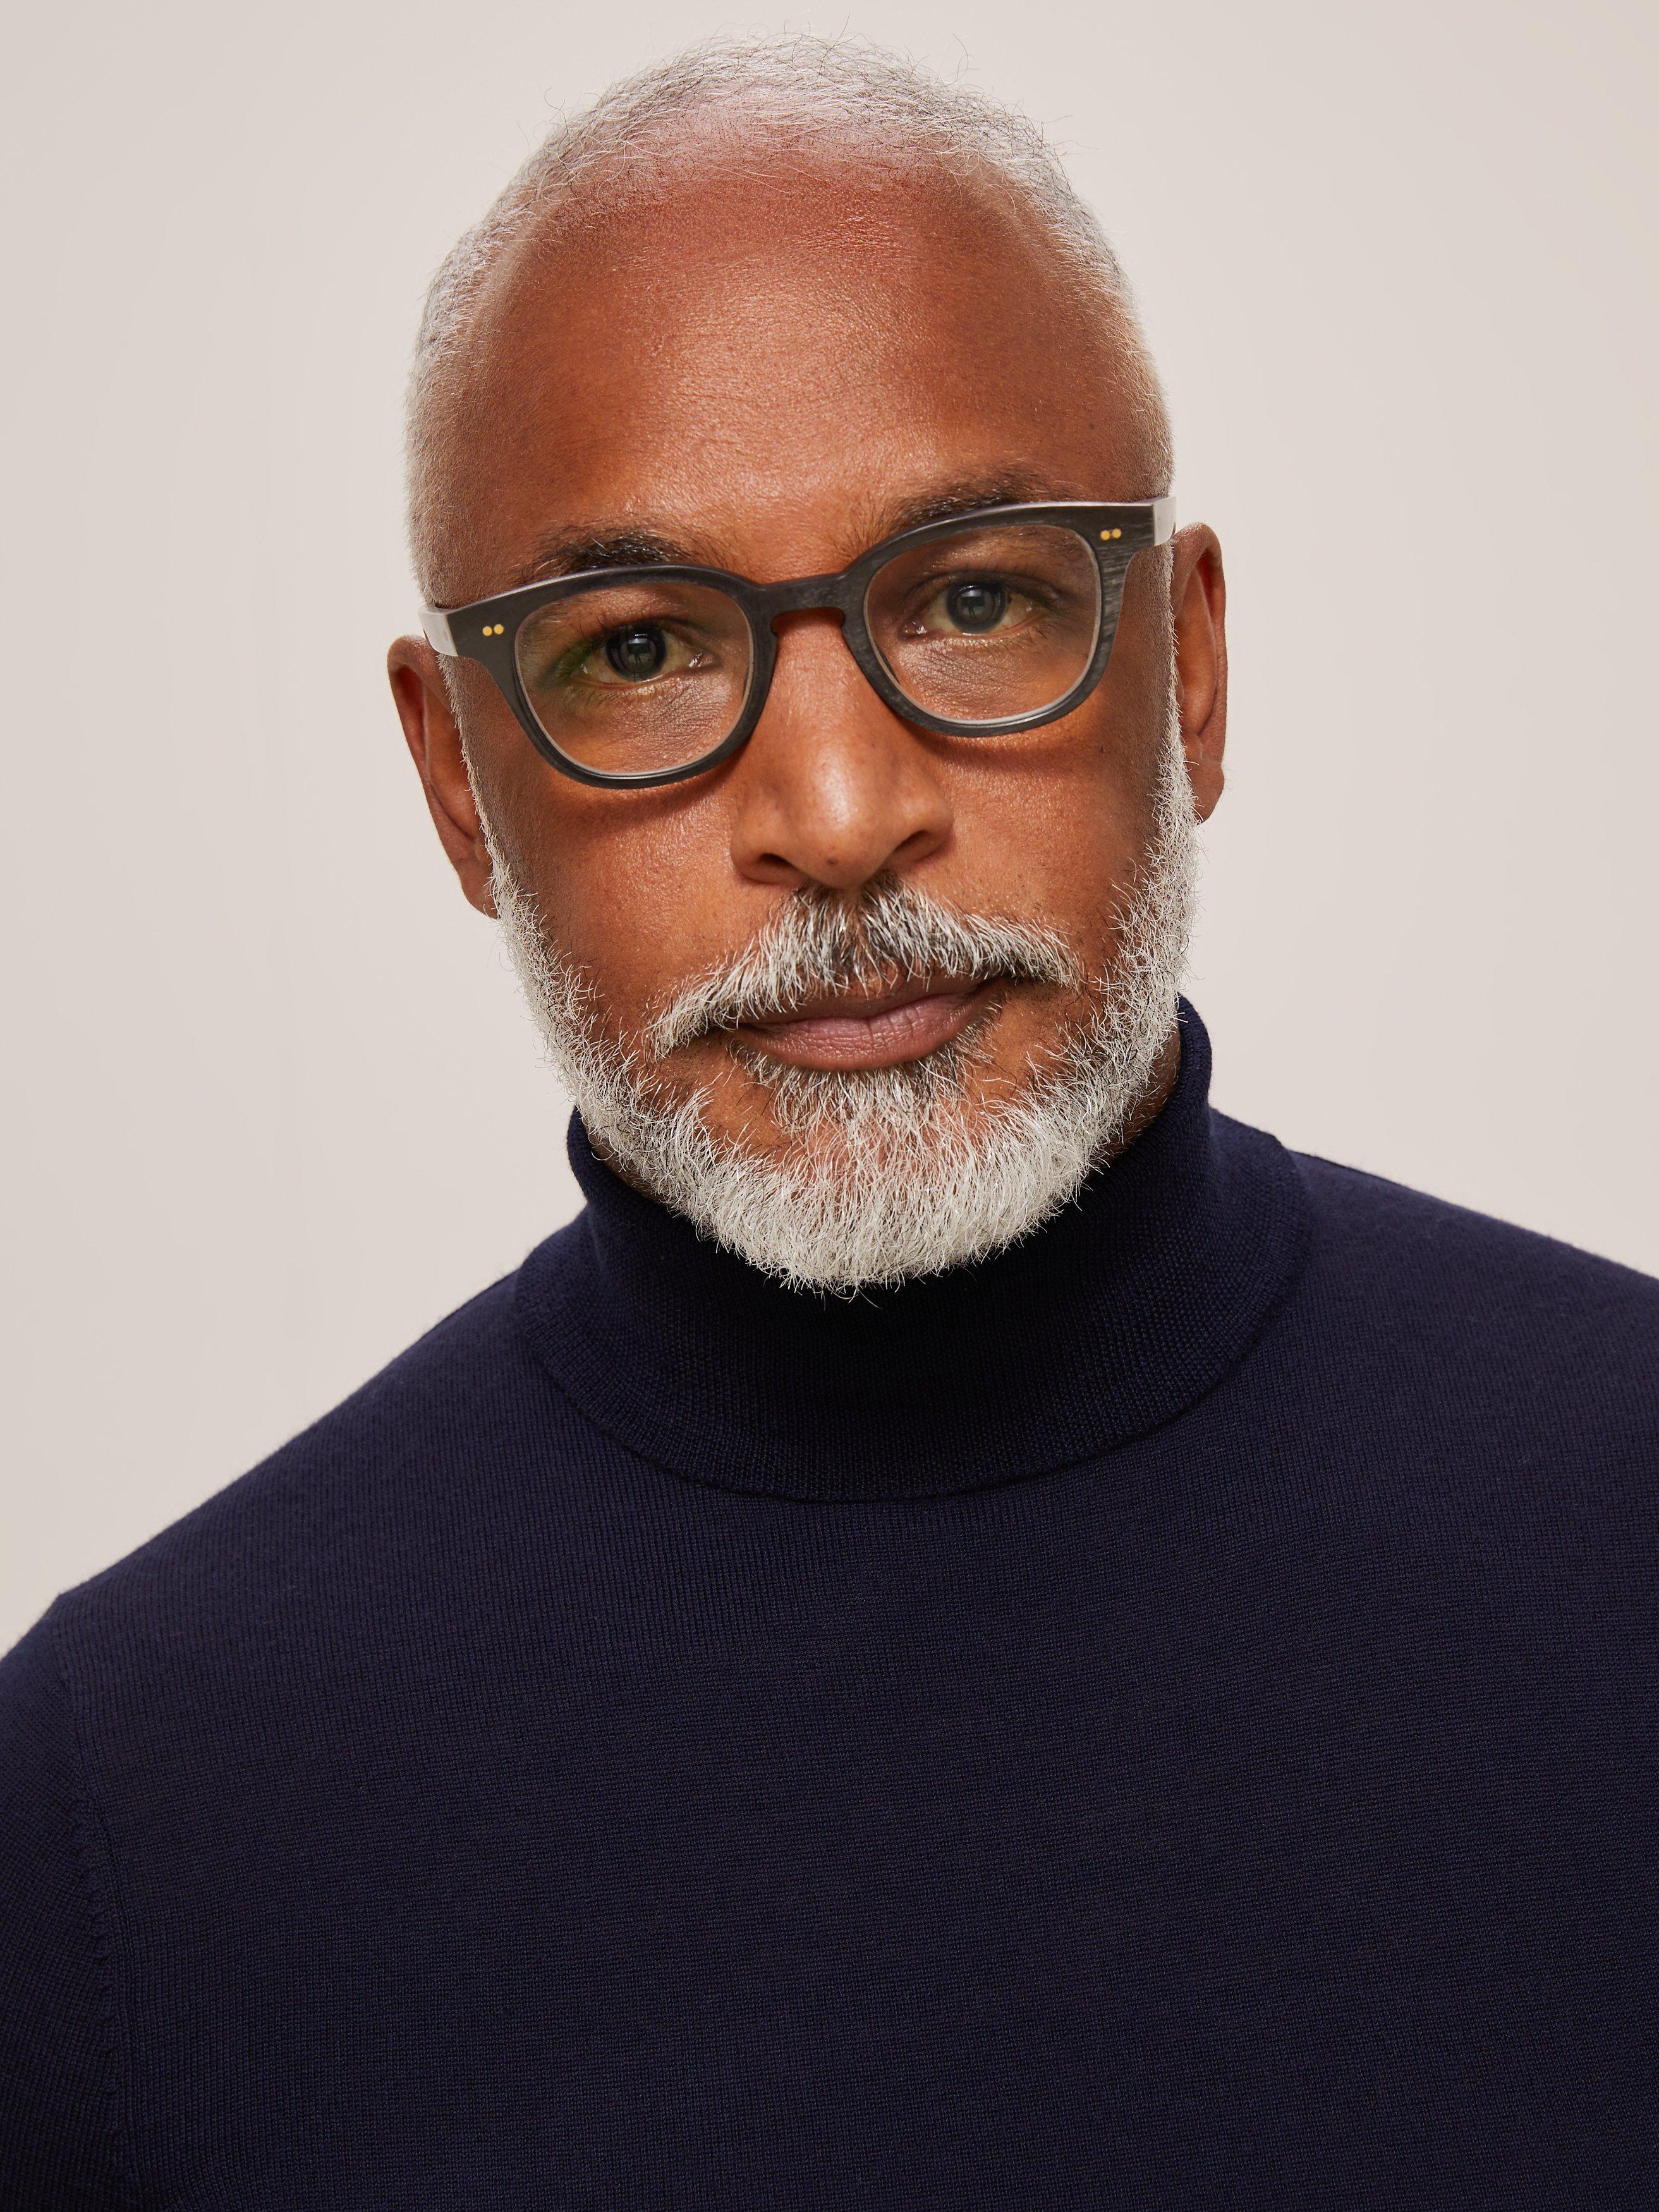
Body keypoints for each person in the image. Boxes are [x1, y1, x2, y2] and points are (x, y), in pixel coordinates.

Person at [3, 36, 1655, 2209]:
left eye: (974, 599)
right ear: (454, 783)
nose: (842, 812)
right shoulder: (121, 1819)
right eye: (638, 652)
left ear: (1185, 668)